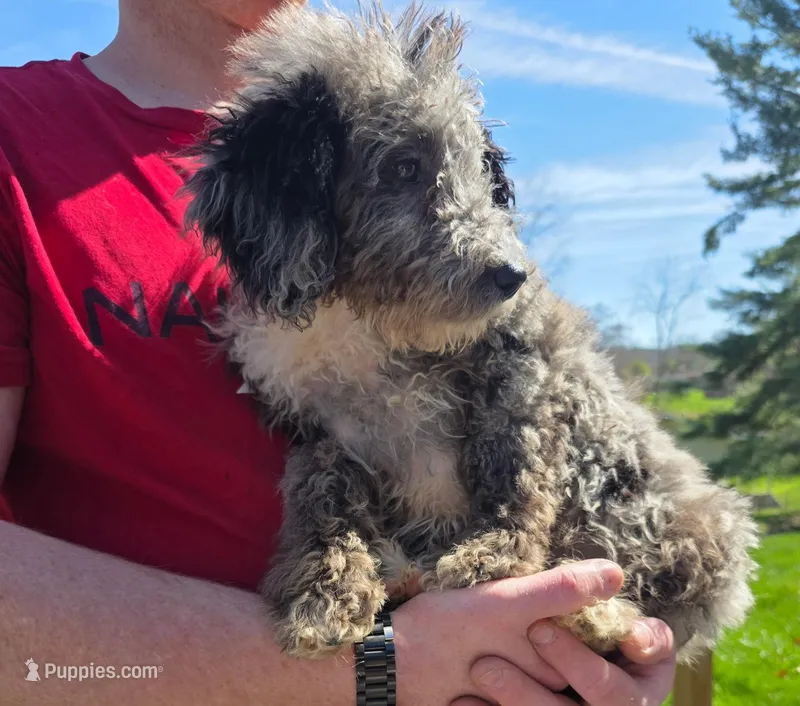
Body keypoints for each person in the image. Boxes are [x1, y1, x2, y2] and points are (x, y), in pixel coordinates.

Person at [0, 1, 677, 703]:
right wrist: (378, 669)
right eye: (404, 172)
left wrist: (622, 648)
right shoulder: (17, 135)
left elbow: (542, 424)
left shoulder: (425, 112)